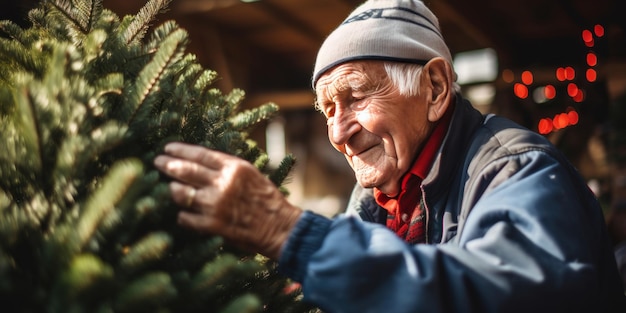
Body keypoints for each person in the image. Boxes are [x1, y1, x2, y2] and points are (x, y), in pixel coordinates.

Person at [153, 0, 626, 312]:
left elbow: (511, 297)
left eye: (356, 96)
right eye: (328, 109)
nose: (338, 131)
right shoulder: (373, 200)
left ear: (435, 88)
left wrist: (288, 232)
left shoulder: (514, 169)